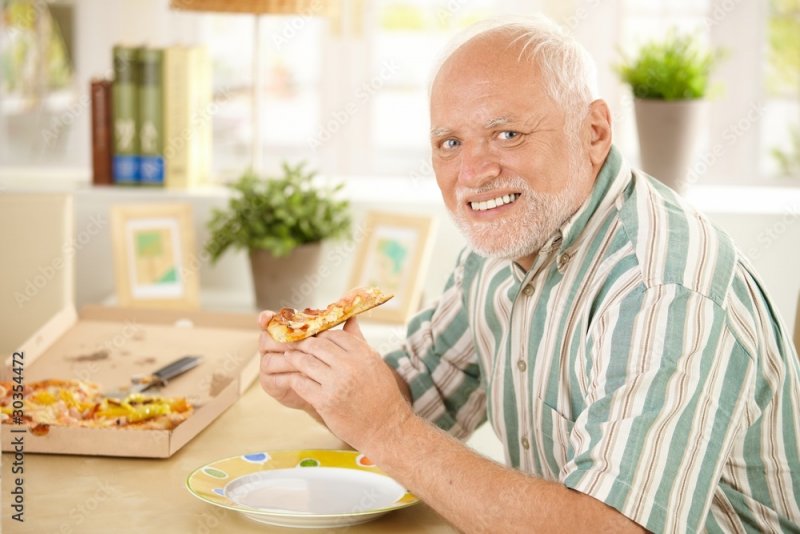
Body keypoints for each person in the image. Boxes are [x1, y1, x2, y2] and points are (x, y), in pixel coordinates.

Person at [258, 15, 800, 533]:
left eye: (508, 134)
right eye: (450, 143)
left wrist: (385, 430)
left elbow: (611, 528)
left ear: (593, 132)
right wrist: (319, 384)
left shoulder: (663, 288)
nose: (473, 173)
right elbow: (420, 399)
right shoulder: (506, 243)